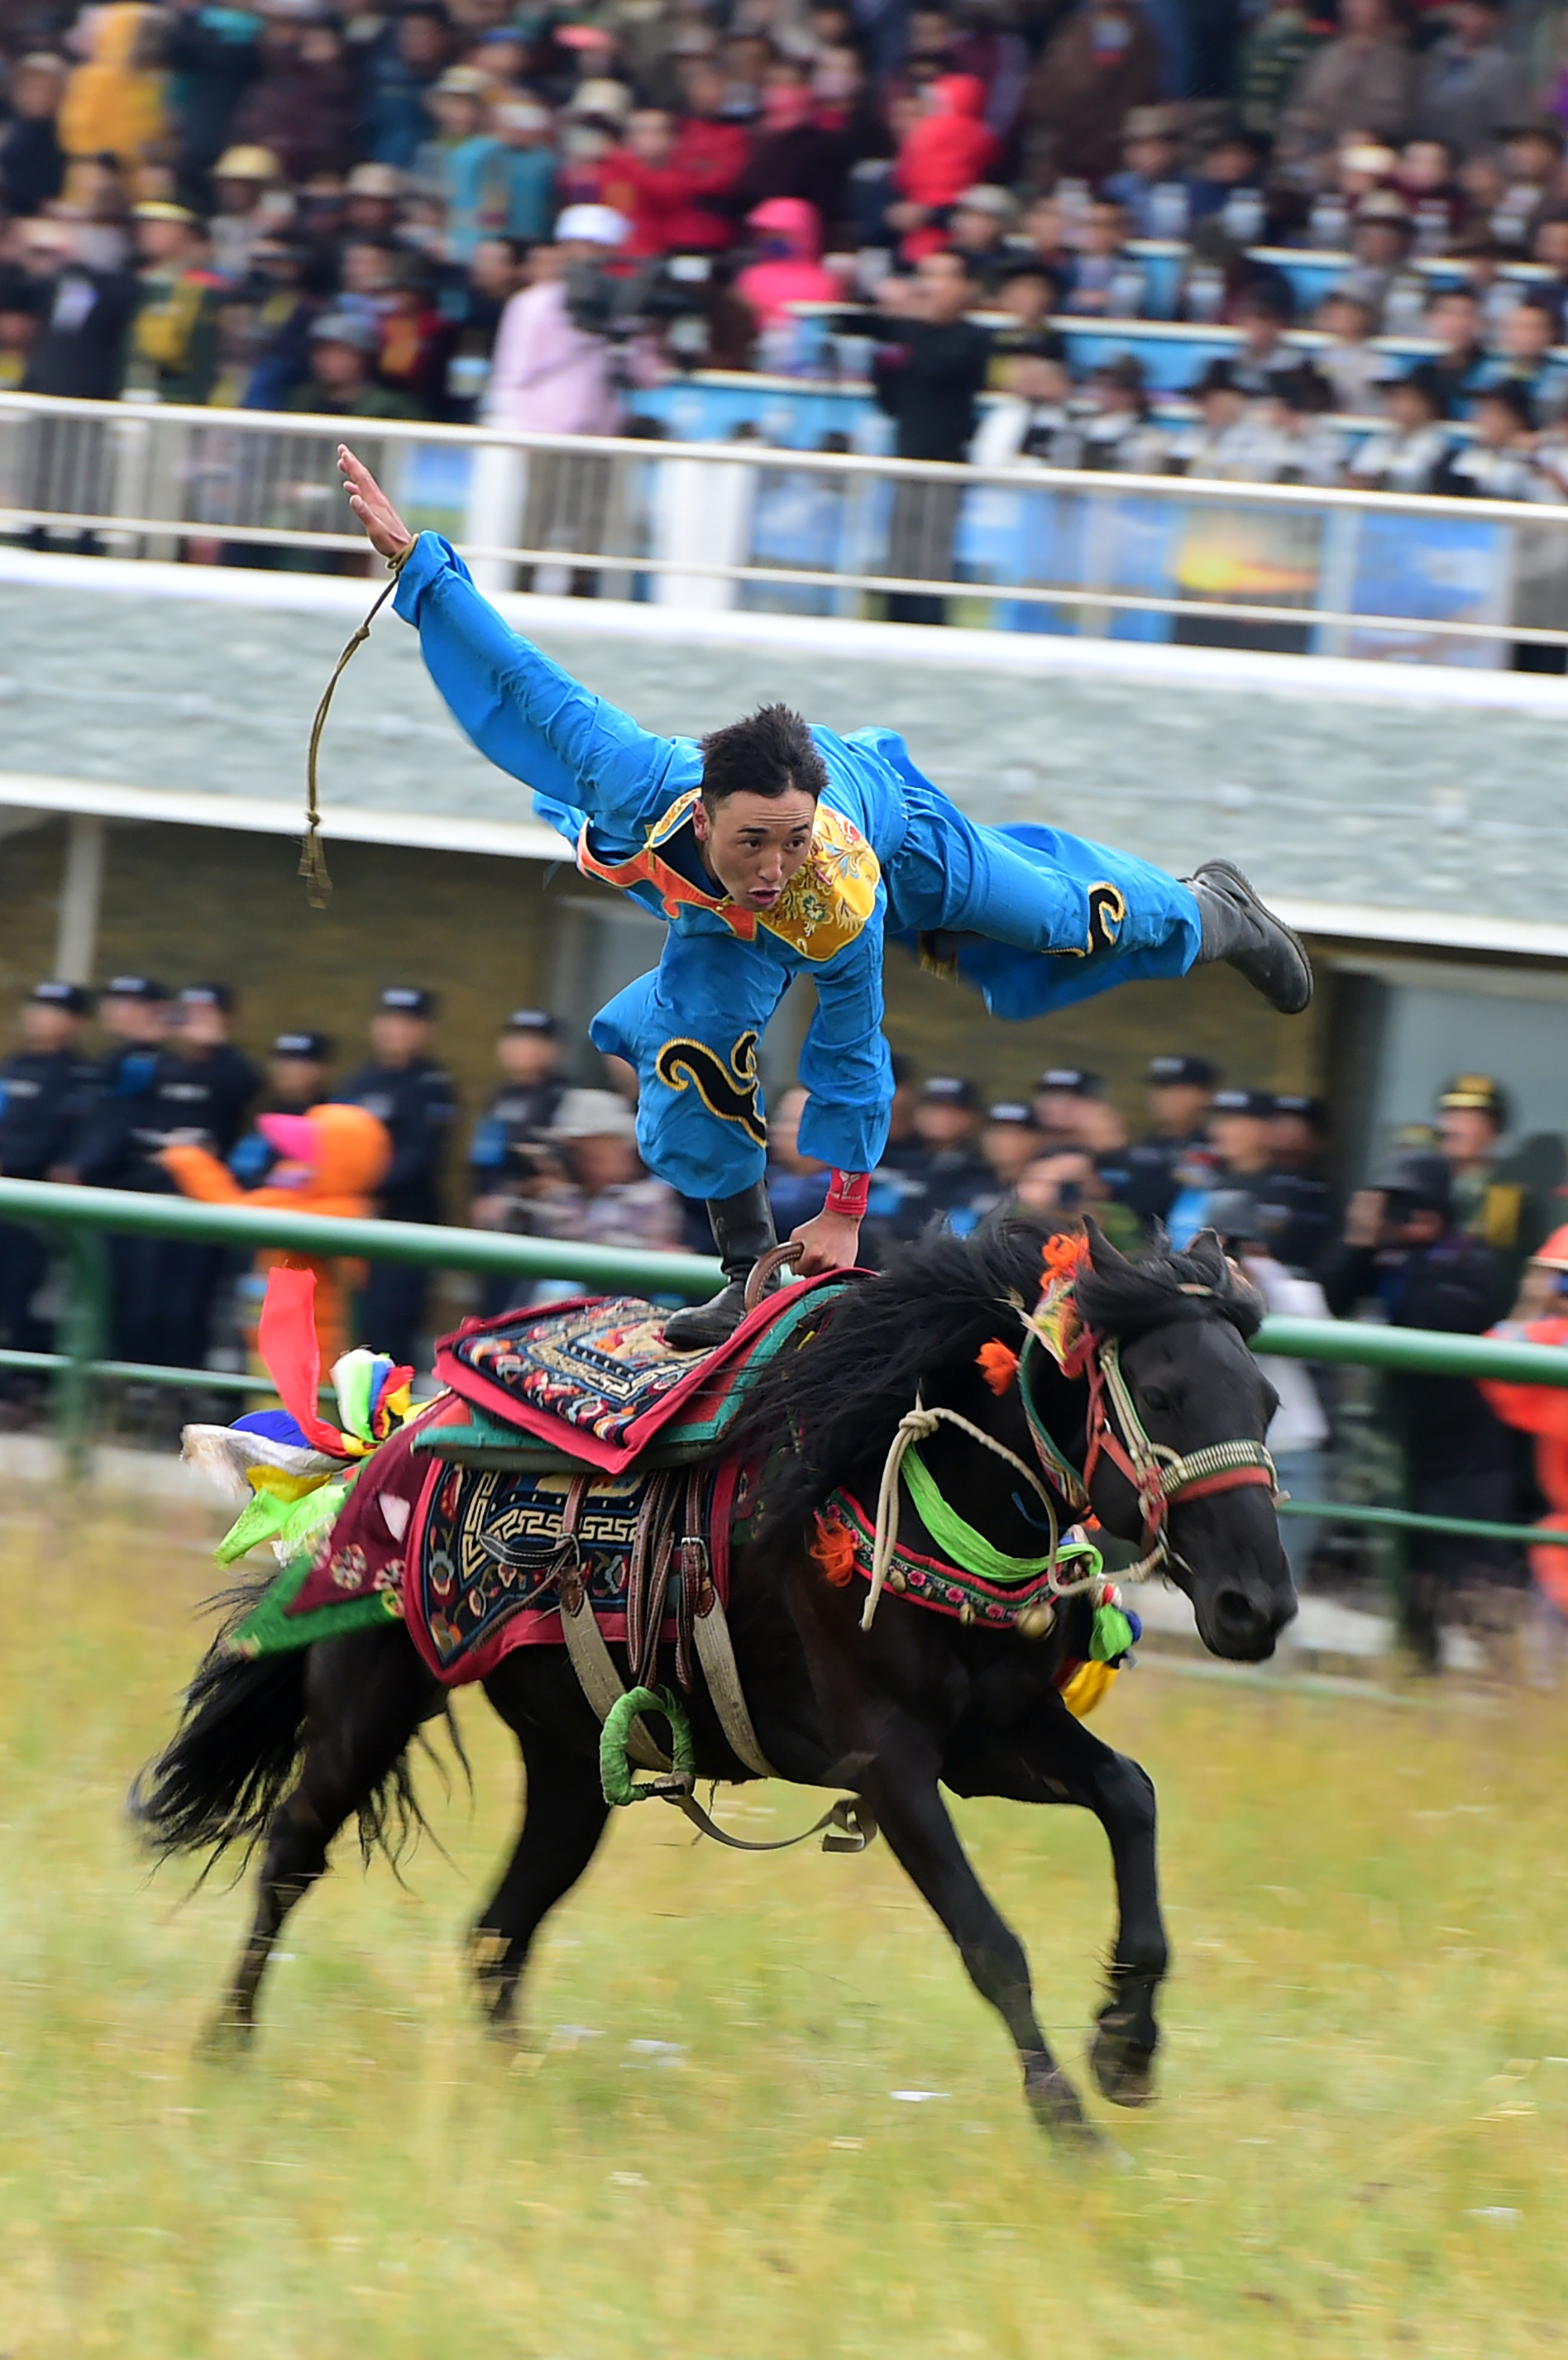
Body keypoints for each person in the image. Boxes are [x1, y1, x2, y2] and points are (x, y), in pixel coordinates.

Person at [339, 444, 1314, 1349]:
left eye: (791, 842)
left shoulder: (829, 892)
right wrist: (419, 565)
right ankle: (742, 1271)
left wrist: (845, 1208)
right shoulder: (629, 775)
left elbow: (851, 1048)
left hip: (901, 833)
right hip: (718, 927)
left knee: (1062, 921)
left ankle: (1212, 911)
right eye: (751, 843)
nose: (773, 866)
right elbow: (519, 675)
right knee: (692, 1036)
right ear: (702, 816)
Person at [1322, 1151, 1516, 1669]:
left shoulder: (1470, 1259)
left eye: (1409, 1205)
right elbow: (1333, 1299)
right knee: (1412, 1581)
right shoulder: (1383, 1257)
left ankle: (1511, 1679)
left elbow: (1446, 1318)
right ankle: (1417, 1673)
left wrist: (1410, 1257)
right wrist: (1361, 1241)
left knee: (1474, 1582)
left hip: (1467, 1455)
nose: (1401, 1217)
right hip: (1406, 1450)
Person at [1207, 1185, 1331, 1585]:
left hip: (1291, 1452)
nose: (1234, 1255)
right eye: (1225, 1243)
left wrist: (1263, 1274)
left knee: (1281, 1576)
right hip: (1225, 1457)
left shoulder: (1291, 1289)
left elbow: (1319, 1334)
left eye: (1241, 1244)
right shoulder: (1194, 1288)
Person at [337, 986, 456, 1363]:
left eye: (409, 1023)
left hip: (403, 1225)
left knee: (390, 1335)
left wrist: (364, 1186)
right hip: (353, 1223)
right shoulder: (359, 1082)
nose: (397, 1031)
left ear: (426, 1030)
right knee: (350, 1332)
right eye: (390, 1021)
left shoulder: (431, 1087)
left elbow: (420, 1157)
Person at [0, 982, 96, 1384]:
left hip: (35, 1208)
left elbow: (57, 1139)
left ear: (76, 1021)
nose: (40, 1017)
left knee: (20, 1292)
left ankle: (17, 1386)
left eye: (54, 1010)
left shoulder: (77, 1076)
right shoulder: (13, 1065)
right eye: (37, 1006)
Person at [468, 1008, 568, 1312]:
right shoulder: (499, 1096)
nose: (524, 1048)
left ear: (553, 1049)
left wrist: (524, 1189)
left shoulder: (561, 1097)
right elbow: (483, 1156)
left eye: (535, 1041)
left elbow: (564, 1170)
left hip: (539, 1225)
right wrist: (483, 1197)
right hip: (495, 1224)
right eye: (517, 1039)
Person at [229, 1029, 336, 1184]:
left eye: (299, 1063)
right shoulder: (263, 1112)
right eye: (282, 1061)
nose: (287, 1070)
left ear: (322, 1068)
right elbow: (241, 1168)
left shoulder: (334, 1117)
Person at [765, 1080, 832, 1234]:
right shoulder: (771, 1175)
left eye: (792, 1122)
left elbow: (777, 1214)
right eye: (779, 1119)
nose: (778, 1129)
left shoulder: (834, 1193)